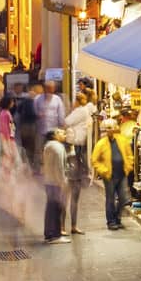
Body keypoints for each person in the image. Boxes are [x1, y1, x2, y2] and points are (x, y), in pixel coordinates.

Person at [63, 89, 96, 234]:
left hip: (74, 150)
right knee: (74, 194)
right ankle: (72, 226)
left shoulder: (79, 112)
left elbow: (66, 122)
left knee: (67, 193)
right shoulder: (87, 112)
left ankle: (64, 226)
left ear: (77, 101)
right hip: (80, 151)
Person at [91, 121, 134, 230]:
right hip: (109, 175)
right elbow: (94, 160)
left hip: (122, 174)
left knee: (123, 198)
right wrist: (104, 171)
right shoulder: (101, 143)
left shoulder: (122, 140)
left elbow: (129, 155)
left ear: (115, 128)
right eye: (107, 128)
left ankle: (117, 218)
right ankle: (111, 221)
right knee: (110, 199)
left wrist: (128, 167)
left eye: (111, 127)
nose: (109, 130)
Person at [42, 128, 71, 243]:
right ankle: (55, 235)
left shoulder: (48, 146)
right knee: (56, 208)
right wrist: (63, 182)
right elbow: (59, 168)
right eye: (62, 133)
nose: (65, 134)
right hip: (55, 183)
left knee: (51, 208)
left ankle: (49, 234)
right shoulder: (58, 147)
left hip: (49, 182)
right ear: (55, 135)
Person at [13, 84, 42, 169]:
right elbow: (36, 115)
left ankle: (25, 162)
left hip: (23, 127)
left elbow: (16, 115)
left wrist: (17, 127)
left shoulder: (23, 102)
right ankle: (32, 163)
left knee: (25, 145)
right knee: (32, 145)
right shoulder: (35, 103)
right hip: (32, 127)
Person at [0, 93, 17, 172]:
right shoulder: (6, 113)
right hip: (7, 139)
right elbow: (5, 128)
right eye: (12, 101)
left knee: (8, 157)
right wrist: (9, 140)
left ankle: (7, 176)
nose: (13, 103)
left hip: (8, 138)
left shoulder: (4, 113)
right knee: (9, 157)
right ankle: (7, 178)